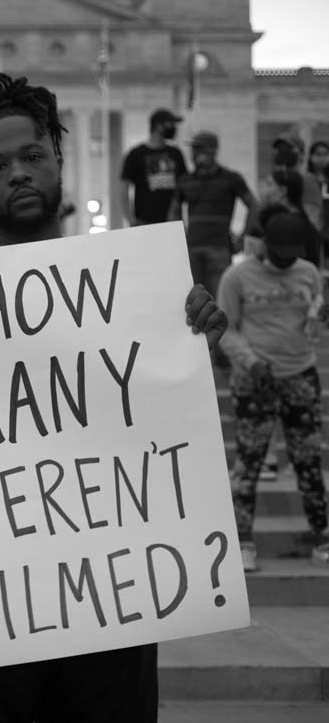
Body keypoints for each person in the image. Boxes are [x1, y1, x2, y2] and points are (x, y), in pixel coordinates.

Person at [0, 72, 227, 723]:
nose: (19, 174)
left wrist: (190, 337)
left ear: (59, 165)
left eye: (33, 157)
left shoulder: (135, 295)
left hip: (110, 591)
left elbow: (164, 430)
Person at [218, 207, 329, 571]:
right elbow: (225, 329)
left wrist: (319, 318)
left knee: (308, 461)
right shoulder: (237, 276)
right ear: (265, 243)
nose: (287, 259)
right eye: (281, 252)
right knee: (249, 463)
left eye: (293, 252)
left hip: (300, 374)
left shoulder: (308, 272)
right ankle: (243, 541)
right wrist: (250, 361)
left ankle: (322, 537)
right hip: (255, 379)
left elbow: (312, 316)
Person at [168, 131, 258, 300]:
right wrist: (178, 239)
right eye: (193, 149)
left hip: (219, 248)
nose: (194, 154)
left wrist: (243, 237)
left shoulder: (231, 178)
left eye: (199, 149)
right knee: (195, 301)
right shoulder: (185, 180)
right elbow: (174, 211)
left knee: (220, 300)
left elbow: (254, 206)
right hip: (192, 249)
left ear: (213, 150)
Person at [119, 108, 188, 226]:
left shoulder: (176, 153)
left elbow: (184, 184)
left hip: (172, 222)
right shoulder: (136, 154)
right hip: (144, 221)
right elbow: (123, 187)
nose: (173, 127)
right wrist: (130, 219)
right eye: (170, 124)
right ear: (158, 125)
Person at [259, 131, 323, 234]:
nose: (281, 152)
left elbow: (311, 218)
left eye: (287, 149)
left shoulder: (307, 179)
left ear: (301, 154)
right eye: (278, 149)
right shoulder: (272, 179)